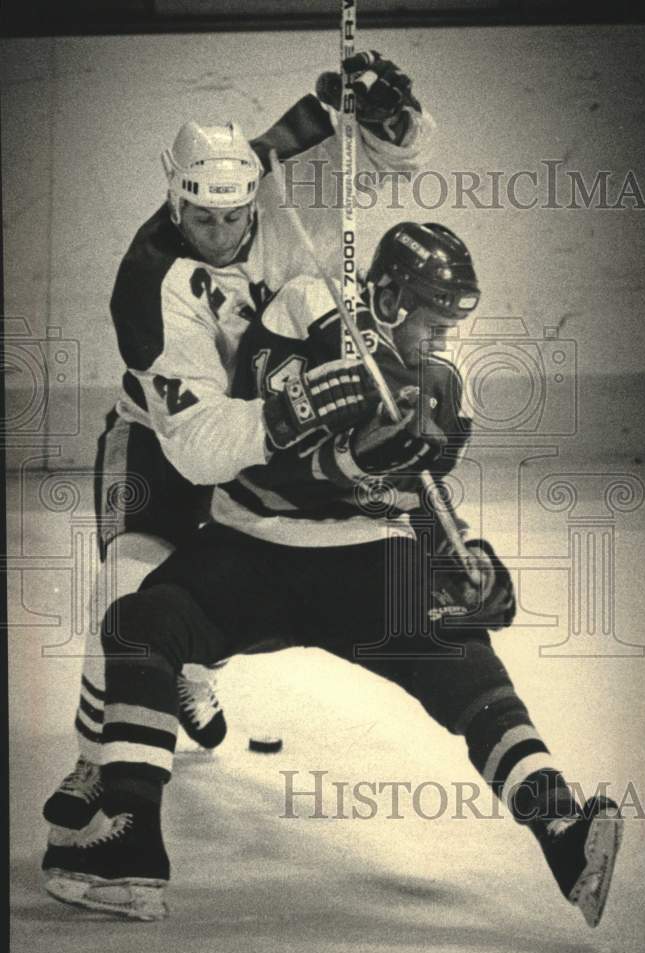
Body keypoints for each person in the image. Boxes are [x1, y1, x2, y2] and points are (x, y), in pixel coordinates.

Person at [42, 221, 622, 927]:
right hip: (253, 548)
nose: (440, 340)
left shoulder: (440, 386)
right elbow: (245, 452)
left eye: (449, 324)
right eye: (430, 320)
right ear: (385, 294)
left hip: (358, 558)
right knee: (138, 622)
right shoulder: (305, 308)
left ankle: (560, 828)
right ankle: (131, 842)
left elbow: (416, 494)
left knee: (467, 661)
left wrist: (458, 557)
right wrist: (320, 420)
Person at [42, 53, 436, 835]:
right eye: (201, 220)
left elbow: (394, 155)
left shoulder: (281, 188)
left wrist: (396, 116)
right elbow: (193, 449)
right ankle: (94, 757)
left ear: (251, 192)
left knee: (219, 591)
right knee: (127, 591)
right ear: (172, 199)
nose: (220, 234)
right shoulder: (144, 283)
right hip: (163, 439)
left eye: (233, 216)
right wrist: (288, 418)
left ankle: (185, 666)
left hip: (259, 432)